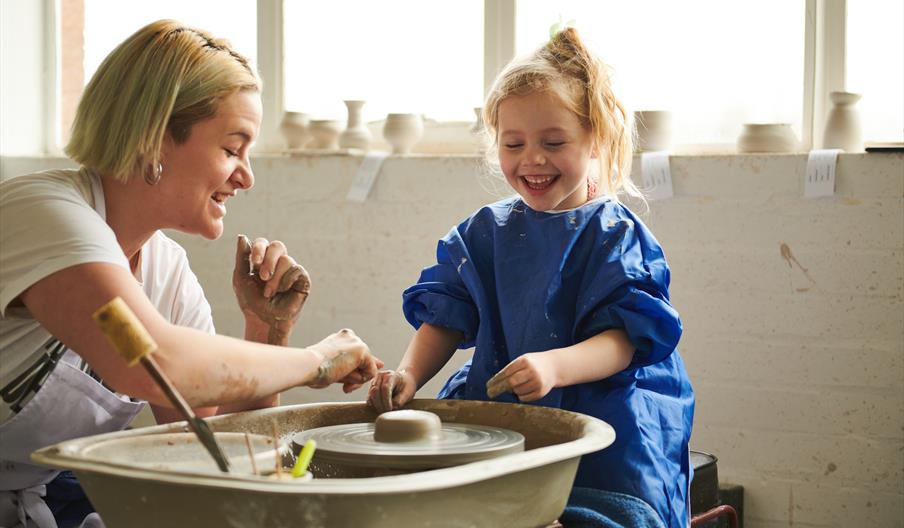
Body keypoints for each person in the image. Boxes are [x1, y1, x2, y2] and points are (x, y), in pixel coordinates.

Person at [0, 20, 381, 528]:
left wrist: (267, 331)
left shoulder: (164, 267)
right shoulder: (43, 213)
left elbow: (212, 453)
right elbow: (152, 360)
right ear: (154, 138)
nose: (247, 175)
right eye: (231, 148)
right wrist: (315, 362)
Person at [368, 28, 694, 528]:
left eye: (554, 142)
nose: (532, 160)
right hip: (506, 405)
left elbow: (624, 342)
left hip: (609, 420)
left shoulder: (616, 234)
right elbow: (446, 317)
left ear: (595, 139)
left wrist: (555, 368)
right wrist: (409, 375)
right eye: (513, 144)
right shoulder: (484, 231)